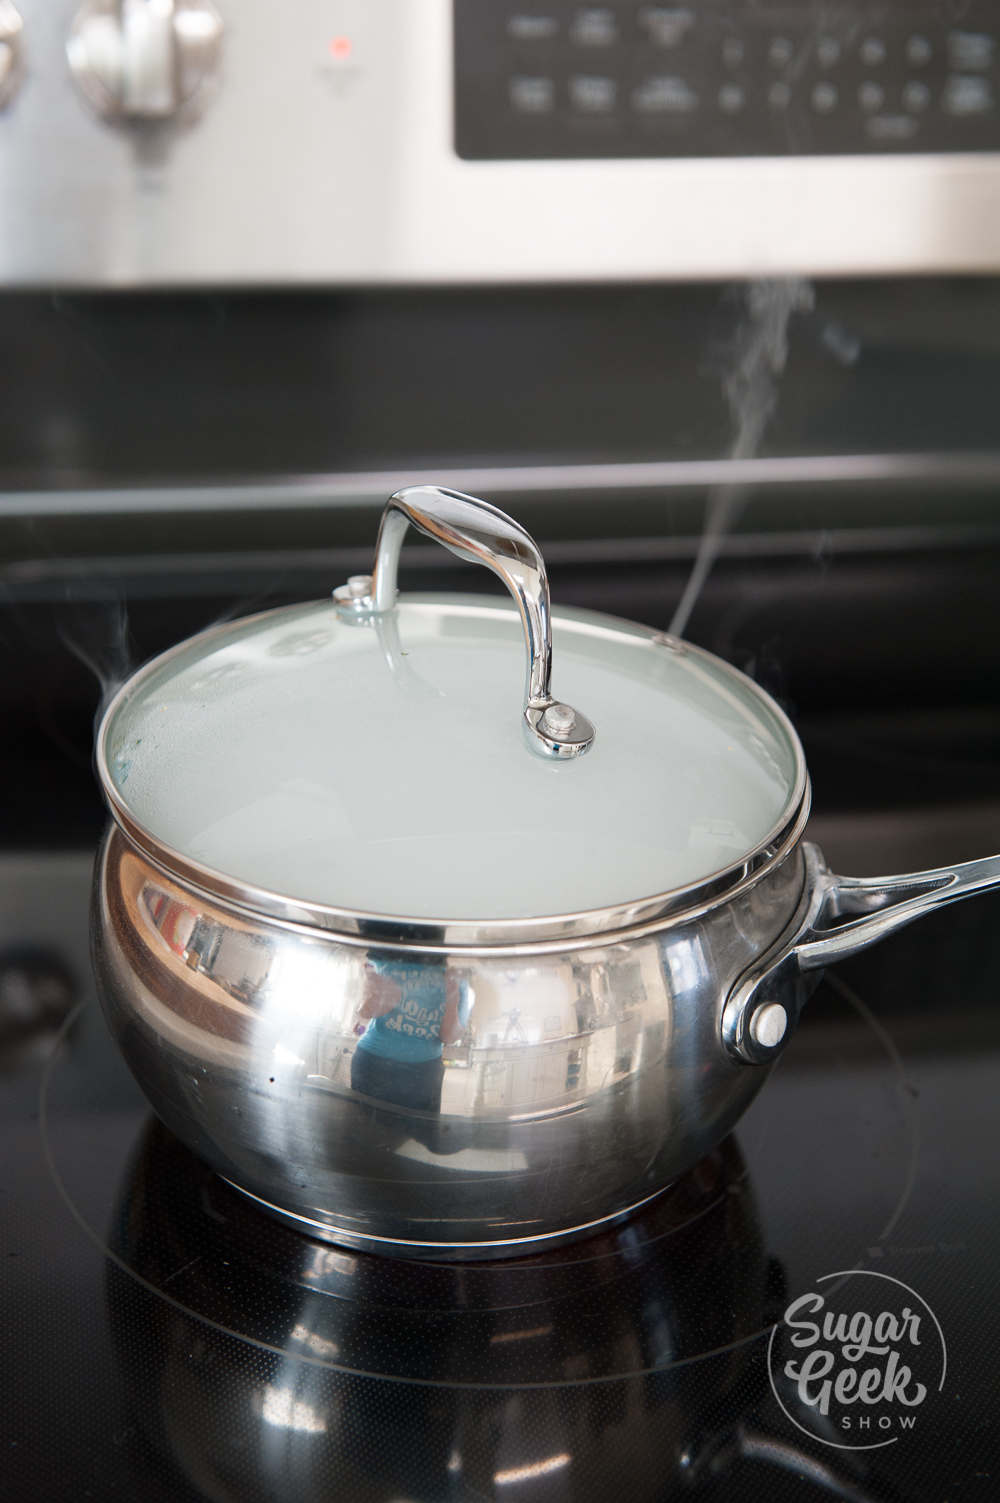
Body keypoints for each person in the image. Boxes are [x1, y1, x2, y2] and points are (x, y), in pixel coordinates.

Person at [350, 954, 469, 1115]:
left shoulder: (456, 978)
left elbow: (449, 1036)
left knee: (419, 1133)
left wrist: (452, 996)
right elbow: (362, 1014)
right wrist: (382, 996)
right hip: (374, 1062)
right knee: (365, 1131)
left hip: (424, 1071)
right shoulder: (387, 958)